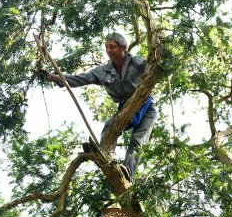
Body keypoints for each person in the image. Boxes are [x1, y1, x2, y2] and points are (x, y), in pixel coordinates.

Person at [41, 33, 157, 182]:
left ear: (124, 48)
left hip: (147, 107)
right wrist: (54, 78)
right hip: (126, 107)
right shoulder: (102, 72)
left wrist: (160, 45)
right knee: (109, 126)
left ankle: (128, 174)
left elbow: (156, 65)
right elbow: (80, 78)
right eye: (106, 47)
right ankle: (105, 157)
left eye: (112, 47)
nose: (109, 50)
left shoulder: (138, 62)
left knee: (138, 140)